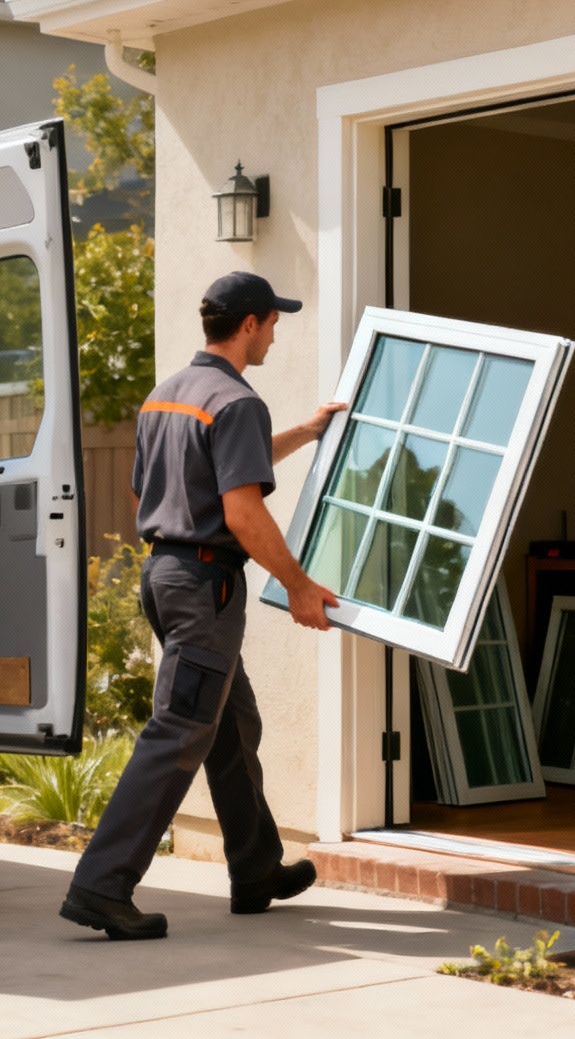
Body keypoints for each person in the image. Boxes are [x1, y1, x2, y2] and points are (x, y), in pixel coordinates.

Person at [60, 270, 346, 941]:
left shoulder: (171, 395)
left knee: (231, 723)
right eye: (274, 321)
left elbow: (178, 481)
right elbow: (242, 510)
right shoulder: (238, 401)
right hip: (205, 586)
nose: (276, 332)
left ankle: (256, 869)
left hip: (166, 576)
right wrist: (301, 586)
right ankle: (102, 886)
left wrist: (304, 432)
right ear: (249, 323)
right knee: (180, 730)